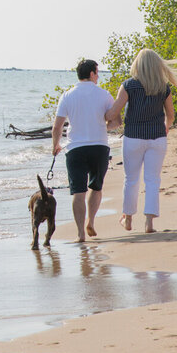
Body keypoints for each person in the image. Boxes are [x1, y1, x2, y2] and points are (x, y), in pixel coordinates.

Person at [106, 48, 177, 233]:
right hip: (157, 138)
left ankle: (128, 219)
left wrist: (100, 116)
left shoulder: (129, 85)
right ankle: (149, 223)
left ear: (137, 64)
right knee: (152, 180)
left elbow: (113, 112)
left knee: (131, 179)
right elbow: (171, 115)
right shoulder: (163, 87)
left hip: (133, 138)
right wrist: (165, 128)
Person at [51, 59, 115, 242]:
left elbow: (57, 127)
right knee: (96, 187)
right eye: (98, 73)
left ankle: (80, 233)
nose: (98, 76)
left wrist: (55, 145)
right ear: (92, 74)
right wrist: (102, 126)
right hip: (99, 146)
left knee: (78, 192)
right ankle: (91, 221)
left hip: (75, 148)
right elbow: (116, 121)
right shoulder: (104, 95)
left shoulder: (67, 95)